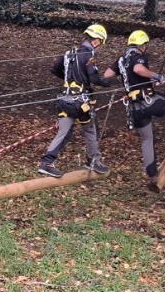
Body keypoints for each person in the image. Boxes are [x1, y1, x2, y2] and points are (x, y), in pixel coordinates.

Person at [104, 30, 165, 186]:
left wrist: (125, 80)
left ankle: (151, 174)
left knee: (147, 139)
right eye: (145, 45)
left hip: (134, 107)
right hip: (148, 101)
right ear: (141, 45)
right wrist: (156, 76)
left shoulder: (121, 60)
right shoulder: (139, 57)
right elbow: (138, 69)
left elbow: (107, 74)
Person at [37, 23, 116, 178]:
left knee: (63, 132)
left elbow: (55, 69)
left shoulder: (69, 53)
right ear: (96, 41)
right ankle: (93, 161)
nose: (100, 47)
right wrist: (110, 83)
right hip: (80, 103)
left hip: (65, 100)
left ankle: (47, 163)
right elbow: (94, 78)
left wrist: (70, 80)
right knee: (91, 130)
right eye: (101, 44)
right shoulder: (89, 56)